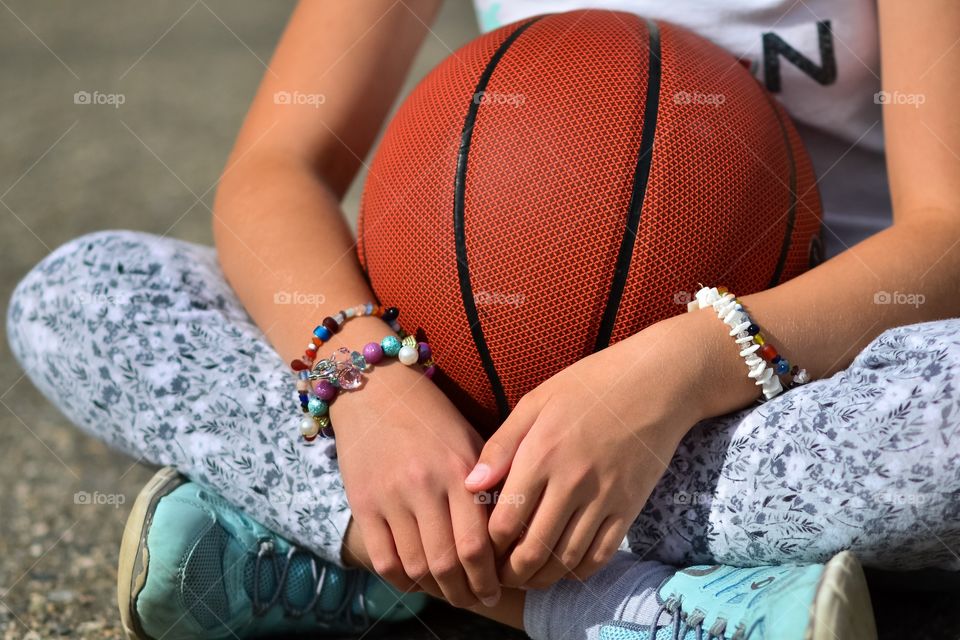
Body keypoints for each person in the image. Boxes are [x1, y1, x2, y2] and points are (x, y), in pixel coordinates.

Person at [7, 1, 960, 638]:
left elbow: (946, 235)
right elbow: (277, 170)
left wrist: (676, 374)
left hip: (794, 387)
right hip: (449, 394)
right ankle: (636, 601)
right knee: (81, 293)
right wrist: (366, 382)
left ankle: (365, 552)